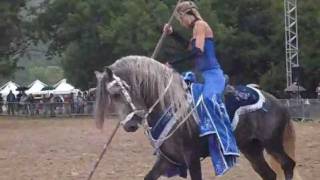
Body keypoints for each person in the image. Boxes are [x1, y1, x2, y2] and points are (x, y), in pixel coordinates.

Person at [163, 1, 239, 176]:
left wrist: (172, 63)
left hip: (212, 74)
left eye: (180, 19)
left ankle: (220, 141)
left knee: (207, 99)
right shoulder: (195, 30)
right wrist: (172, 34)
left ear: (188, 14)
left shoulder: (200, 25)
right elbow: (189, 47)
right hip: (200, 74)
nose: (181, 22)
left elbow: (197, 51)